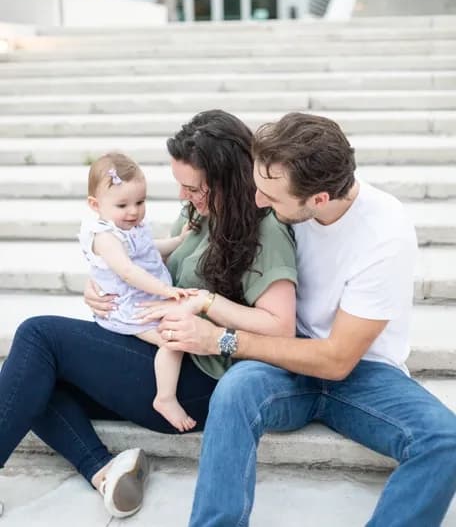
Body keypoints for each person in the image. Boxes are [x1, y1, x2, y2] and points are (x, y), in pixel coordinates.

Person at [150, 112, 456, 527]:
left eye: (272, 199)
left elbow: (336, 360)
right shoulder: (283, 194)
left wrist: (221, 339)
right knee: (236, 390)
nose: (259, 203)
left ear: (319, 200)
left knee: (445, 441)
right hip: (285, 363)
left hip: (361, 373)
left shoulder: (386, 234)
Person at [0, 110, 297, 520]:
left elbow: (281, 328)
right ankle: (104, 472)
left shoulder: (267, 233)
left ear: (228, 180)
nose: (181, 196)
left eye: (192, 187)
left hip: (198, 376)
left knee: (37, 337)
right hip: (154, 344)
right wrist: (100, 284)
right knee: (31, 377)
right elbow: (141, 264)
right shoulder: (199, 214)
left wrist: (209, 306)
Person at [79, 151, 198, 432]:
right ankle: (165, 397)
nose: (133, 211)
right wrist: (166, 290)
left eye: (140, 202)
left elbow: (149, 252)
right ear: (95, 205)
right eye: (123, 205)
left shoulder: (128, 226)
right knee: (172, 339)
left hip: (147, 296)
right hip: (130, 304)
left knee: (176, 332)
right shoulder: (104, 235)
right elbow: (128, 272)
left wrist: (179, 240)